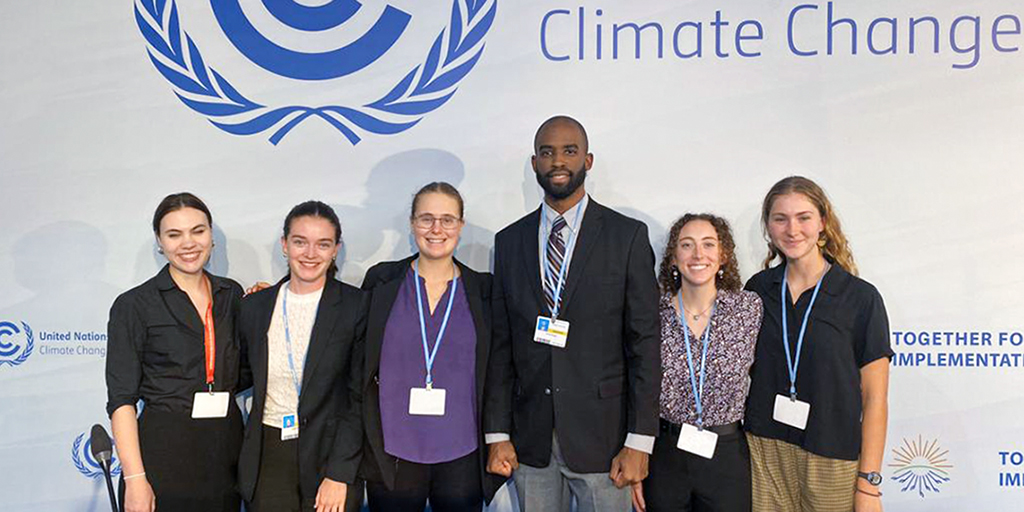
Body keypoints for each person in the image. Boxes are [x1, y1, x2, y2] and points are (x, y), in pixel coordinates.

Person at [484, 115, 661, 512]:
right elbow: (501, 346)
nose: (557, 161)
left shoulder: (626, 237)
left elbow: (645, 345)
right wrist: (497, 433)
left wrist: (639, 441)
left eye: (569, 151)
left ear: (588, 160)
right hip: (531, 441)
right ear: (534, 163)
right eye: (547, 152)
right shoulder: (509, 241)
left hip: (605, 440)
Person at [744, 176, 892, 512]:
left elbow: (875, 399)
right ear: (768, 226)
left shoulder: (860, 298)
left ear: (823, 222)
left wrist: (869, 487)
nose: (792, 229)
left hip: (831, 455)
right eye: (780, 218)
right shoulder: (757, 289)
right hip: (764, 450)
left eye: (804, 218)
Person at [358, 182, 505, 512]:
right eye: (426, 219)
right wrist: (276, 292)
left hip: (462, 454)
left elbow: (498, 371)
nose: (437, 229)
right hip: (393, 451)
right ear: (412, 224)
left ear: (461, 226)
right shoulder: (381, 281)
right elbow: (343, 330)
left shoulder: (484, 289)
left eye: (447, 219)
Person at [106, 192, 245, 512]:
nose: (188, 243)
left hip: (227, 455)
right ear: (159, 242)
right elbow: (121, 399)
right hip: (164, 457)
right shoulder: (134, 305)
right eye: (174, 234)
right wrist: (136, 479)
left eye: (198, 231)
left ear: (211, 235)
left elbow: (245, 369)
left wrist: (266, 304)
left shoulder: (231, 295)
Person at [237, 200, 367, 512]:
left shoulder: (357, 306)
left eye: (323, 244)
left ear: (336, 249)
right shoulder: (254, 307)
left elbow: (360, 396)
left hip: (330, 457)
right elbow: (240, 373)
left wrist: (339, 473)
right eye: (300, 242)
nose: (310, 254)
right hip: (268, 457)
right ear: (284, 245)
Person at [631, 213, 762, 512]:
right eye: (687, 245)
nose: (698, 254)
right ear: (673, 259)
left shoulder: (748, 309)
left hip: (726, 454)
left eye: (708, 244)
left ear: (723, 255)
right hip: (665, 454)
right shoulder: (653, 313)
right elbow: (635, 385)